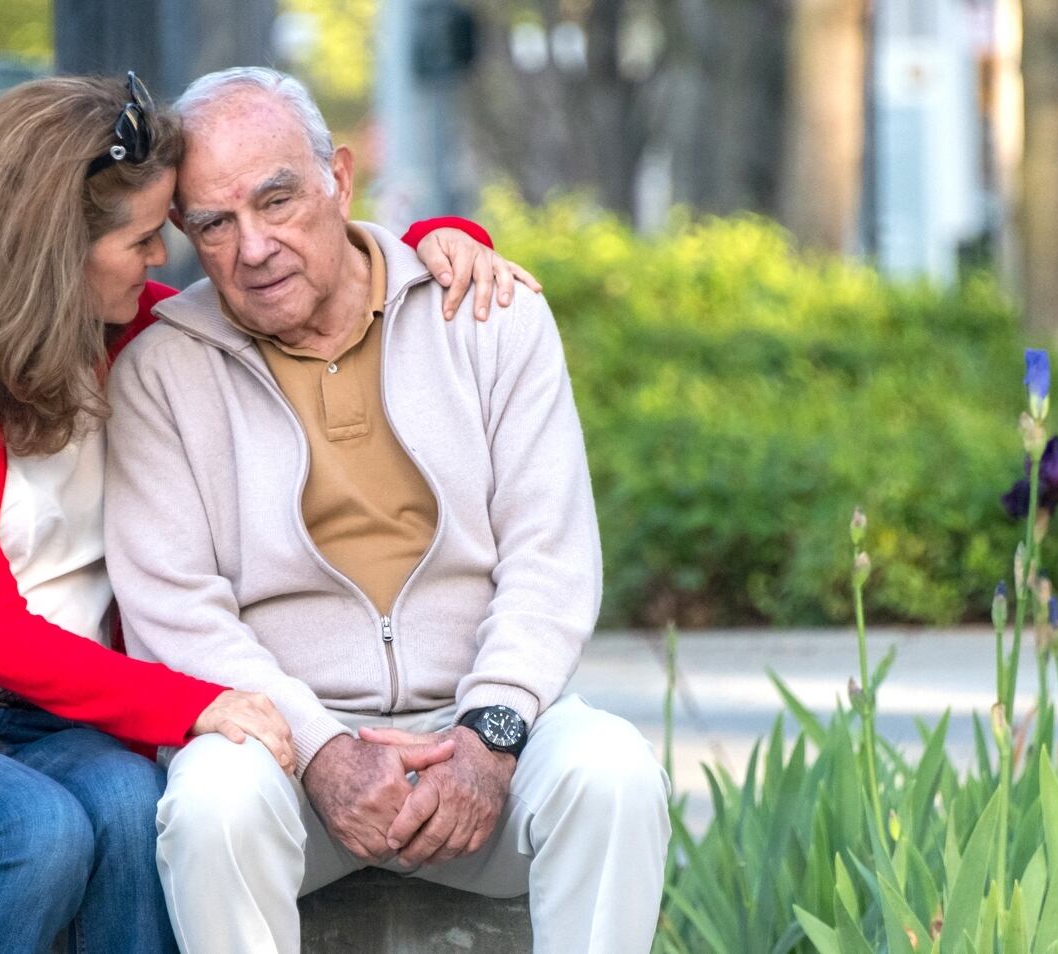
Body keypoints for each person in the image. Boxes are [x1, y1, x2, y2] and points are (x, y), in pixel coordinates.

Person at [0, 72, 534, 954]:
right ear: (55, 252)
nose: (161, 259)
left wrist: (446, 244)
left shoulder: (138, 335)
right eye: (141, 238)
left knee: (140, 816)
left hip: (61, 723)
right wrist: (198, 703)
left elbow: (305, 286)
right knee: (30, 834)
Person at [104, 67, 672, 954]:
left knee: (613, 773)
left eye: (278, 199)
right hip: (286, 756)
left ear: (339, 175)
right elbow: (174, 608)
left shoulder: (486, 314)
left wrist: (490, 736)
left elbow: (549, 558)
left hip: (485, 735)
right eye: (215, 223)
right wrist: (322, 748)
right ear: (183, 233)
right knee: (212, 802)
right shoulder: (161, 371)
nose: (253, 247)